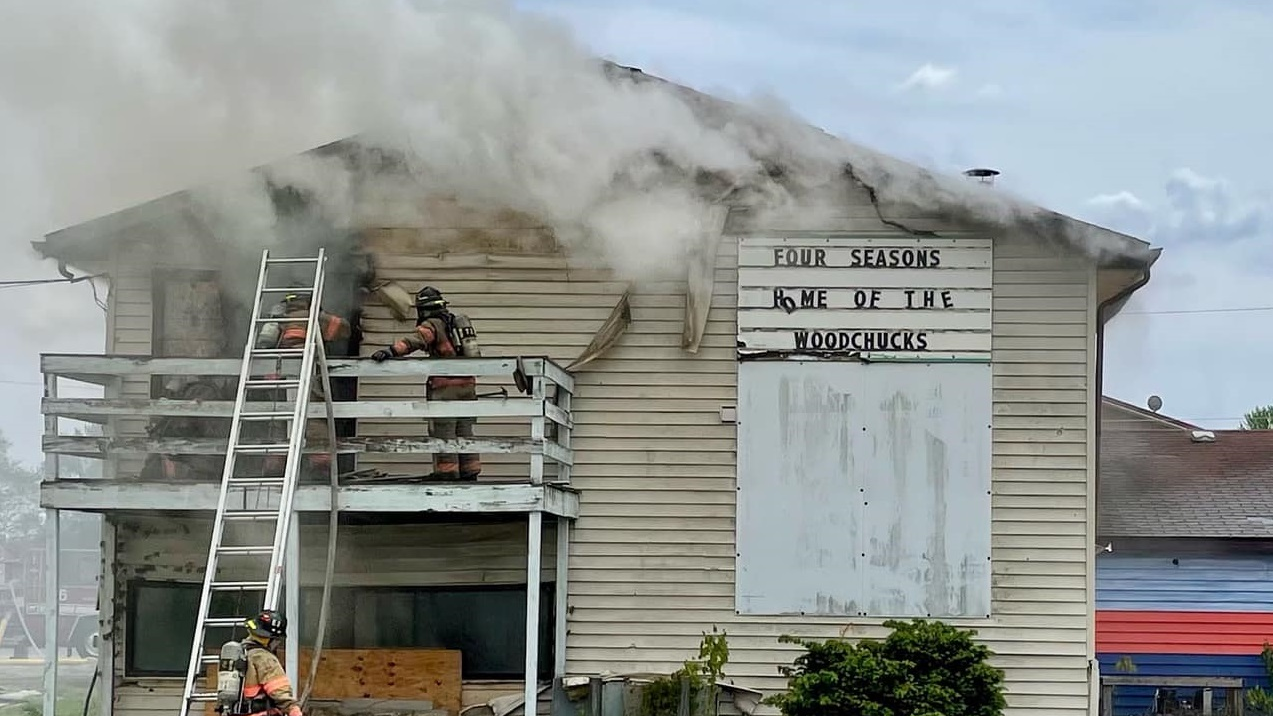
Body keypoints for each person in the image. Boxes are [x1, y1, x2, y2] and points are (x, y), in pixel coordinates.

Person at [370, 286, 482, 481]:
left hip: (446, 389)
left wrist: (390, 351)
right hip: (468, 387)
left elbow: (415, 341)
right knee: (464, 430)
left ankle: (447, 473)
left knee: (444, 431)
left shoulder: (433, 324)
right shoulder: (455, 322)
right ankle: (469, 471)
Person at [255, 292, 351, 481]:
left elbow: (264, 346)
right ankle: (320, 471)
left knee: (278, 426)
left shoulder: (276, 319)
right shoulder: (315, 316)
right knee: (315, 424)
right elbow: (344, 329)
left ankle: (274, 472)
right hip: (308, 380)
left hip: (280, 383)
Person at [235, 609, 302, 716]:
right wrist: (294, 710)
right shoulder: (264, 658)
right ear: (269, 639)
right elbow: (280, 693)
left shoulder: (239, 653)